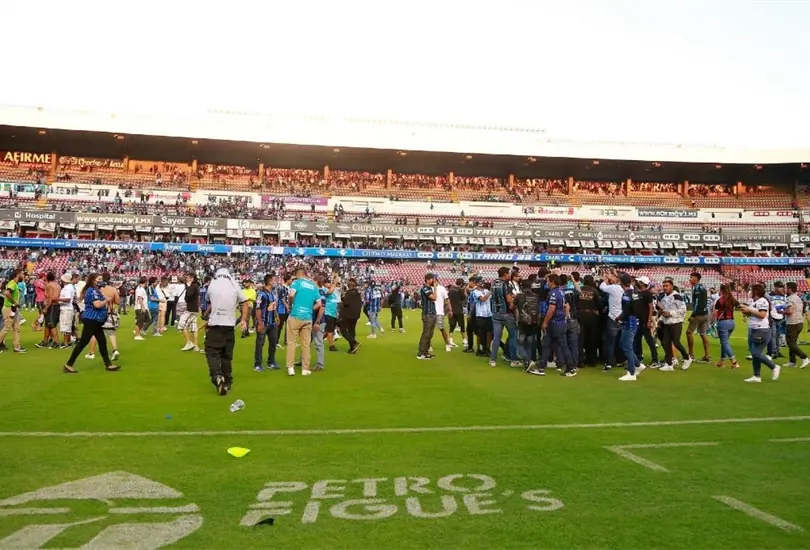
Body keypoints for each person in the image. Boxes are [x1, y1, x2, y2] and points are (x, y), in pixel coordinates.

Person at [62, 273, 120, 374]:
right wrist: (106, 300)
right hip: (91, 319)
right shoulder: (92, 291)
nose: (101, 280)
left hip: (95, 320)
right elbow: (97, 305)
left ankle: (108, 364)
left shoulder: (95, 290)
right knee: (83, 342)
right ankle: (69, 364)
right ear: (93, 280)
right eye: (99, 279)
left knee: (102, 342)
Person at [205, 267, 249, 395]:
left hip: (215, 325)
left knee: (212, 352)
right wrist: (244, 319)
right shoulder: (234, 284)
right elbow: (245, 302)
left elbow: (208, 299)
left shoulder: (213, 284)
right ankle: (227, 381)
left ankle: (216, 376)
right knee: (226, 356)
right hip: (229, 326)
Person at [286, 266, 322, 376]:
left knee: (291, 343)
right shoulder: (314, 286)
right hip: (307, 317)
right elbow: (319, 304)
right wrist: (310, 309)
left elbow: (291, 295)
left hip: (296, 315)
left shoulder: (296, 283)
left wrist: (291, 304)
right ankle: (305, 369)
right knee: (306, 344)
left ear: (298, 275)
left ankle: (290, 367)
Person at [741, 283, 780, 382]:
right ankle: (756, 376)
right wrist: (746, 312)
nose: (749, 292)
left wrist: (749, 310)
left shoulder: (763, 301)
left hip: (761, 330)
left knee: (756, 354)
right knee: (754, 354)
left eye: (751, 290)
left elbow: (762, 314)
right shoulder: (754, 301)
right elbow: (753, 314)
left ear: (756, 291)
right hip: (753, 329)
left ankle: (774, 367)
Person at [539, 274, 574, 376]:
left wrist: (545, 322)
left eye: (548, 281)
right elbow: (566, 306)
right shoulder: (561, 292)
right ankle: (542, 367)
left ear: (552, 281)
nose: (547, 283)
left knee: (559, 346)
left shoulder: (553, 293)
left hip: (554, 323)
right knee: (548, 344)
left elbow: (551, 309)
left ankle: (570, 368)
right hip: (560, 322)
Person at [657, 279, 692, 372]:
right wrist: (660, 320)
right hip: (666, 323)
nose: (665, 288)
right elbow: (664, 311)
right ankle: (669, 364)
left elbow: (683, 310)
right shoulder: (664, 297)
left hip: (676, 323)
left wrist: (671, 313)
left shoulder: (677, 297)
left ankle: (687, 358)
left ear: (672, 286)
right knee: (665, 343)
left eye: (667, 286)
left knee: (676, 342)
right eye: (664, 286)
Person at [86, 272, 122, 361]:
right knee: (111, 333)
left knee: (94, 333)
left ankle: (92, 352)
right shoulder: (112, 289)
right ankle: (115, 350)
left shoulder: (95, 290)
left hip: (97, 313)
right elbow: (117, 302)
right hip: (109, 313)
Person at [618, 274, 645, 382]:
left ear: (621, 282)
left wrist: (620, 318)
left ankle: (631, 372)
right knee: (623, 344)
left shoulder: (626, 294)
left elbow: (626, 310)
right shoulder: (636, 292)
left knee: (627, 347)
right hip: (635, 321)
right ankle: (637, 364)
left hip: (628, 322)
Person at [490, 267, 516, 367]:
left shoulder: (493, 283)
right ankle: (513, 359)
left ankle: (493, 360)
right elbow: (508, 300)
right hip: (506, 313)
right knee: (513, 336)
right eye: (509, 274)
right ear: (505, 274)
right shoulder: (506, 284)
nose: (510, 275)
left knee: (496, 337)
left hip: (496, 314)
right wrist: (514, 298)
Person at [599, 270, 624, 372]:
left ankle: (609, 362)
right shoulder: (629, 288)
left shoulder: (614, 288)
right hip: (623, 317)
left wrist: (606, 279)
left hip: (613, 317)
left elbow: (602, 287)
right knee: (621, 341)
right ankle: (621, 359)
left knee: (610, 342)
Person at [254, 273, 279, 371]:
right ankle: (257, 364)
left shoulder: (273, 293)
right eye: (273, 280)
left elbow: (273, 306)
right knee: (260, 343)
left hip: (272, 323)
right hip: (263, 323)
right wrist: (260, 323)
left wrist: (276, 316)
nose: (275, 281)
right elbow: (257, 309)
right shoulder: (261, 294)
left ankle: (271, 362)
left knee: (273, 343)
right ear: (269, 281)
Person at [632, 276, 658, 368]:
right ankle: (639, 357)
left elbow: (650, 306)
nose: (638, 282)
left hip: (644, 320)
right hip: (639, 320)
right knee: (637, 339)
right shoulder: (641, 293)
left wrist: (649, 320)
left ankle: (655, 359)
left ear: (642, 283)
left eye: (639, 281)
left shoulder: (647, 293)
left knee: (649, 340)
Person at [514, 279, 540, 372]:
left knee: (519, 343)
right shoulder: (536, 296)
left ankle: (527, 360)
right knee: (529, 344)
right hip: (533, 322)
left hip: (523, 322)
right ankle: (528, 365)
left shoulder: (519, 296)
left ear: (522, 286)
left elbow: (512, 307)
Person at [686, 272, 711, 363]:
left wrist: (692, 315)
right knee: (703, 334)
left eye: (691, 277)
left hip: (698, 314)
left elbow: (696, 304)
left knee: (689, 332)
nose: (690, 279)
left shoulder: (697, 289)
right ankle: (707, 356)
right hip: (705, 314)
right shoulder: (703, 288)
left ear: (696, 278)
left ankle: (690, 354)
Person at [784, 281, 810, 369]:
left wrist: (781, 312)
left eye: (786, 288)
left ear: (790, 289)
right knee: (793, 342)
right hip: (800, 322)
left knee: (790, 343)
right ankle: (792, 361)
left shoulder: (790, 299)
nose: (785, 289)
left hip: (792, 323)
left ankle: (804, 357)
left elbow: (790, 311)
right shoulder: (799, 298)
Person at [576, 275, 601, 367]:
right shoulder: (594, 291)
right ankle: (592, 360)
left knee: (580, 339)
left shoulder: (578, 289)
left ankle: (580, 360)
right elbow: (599, 304)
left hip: (579, 315)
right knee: (592, 338)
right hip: (591, 315)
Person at [713, 284, 739, 369]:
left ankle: (734, 362)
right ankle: (722, 361)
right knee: (724, 343)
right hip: (731, 322)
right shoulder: (732, 299)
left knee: (724, 343)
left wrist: (712, 323)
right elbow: (739, 305)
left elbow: (715, 312)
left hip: (723, 322)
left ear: (721, 290)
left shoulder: (720, 300)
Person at [0, 268, 26, 353]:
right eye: (22, 274)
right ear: (18, 275)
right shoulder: (12, 283)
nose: (23, 275)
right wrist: (14, 301)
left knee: (16, 328)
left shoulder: (15, 284)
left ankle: (17, 347)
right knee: (7, 328)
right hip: (9, 308)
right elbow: (7, 293)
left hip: (13, 308)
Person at [37, 271, 62, 349]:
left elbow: (50, 298)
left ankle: (56, 342)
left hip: (52, 306)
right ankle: (45, 341)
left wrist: (46, 308)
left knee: (51, 324)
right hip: (57, 305)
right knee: (48, 325)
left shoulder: (49, 285)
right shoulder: (57, 285)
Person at [417, 273, 438, 360]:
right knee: (426, 333)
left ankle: (426, 352)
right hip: (427, 314)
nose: (434, 281)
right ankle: (421, 353)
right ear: (428, 279)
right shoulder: (425, 288)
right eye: (432, 279)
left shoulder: (429, 288)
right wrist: (435, 288)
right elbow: (433, 297)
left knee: (430, 334)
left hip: (432, 313)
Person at [179, 272, 201, 352]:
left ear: (192, 278)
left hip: (191, 309)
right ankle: (195, 346)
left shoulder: (193, 286)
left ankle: (189, 343)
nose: (186, 279)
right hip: (194, 309)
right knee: (194, 327)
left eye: (187, 277)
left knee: (181, 325)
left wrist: (188, 286)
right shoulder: (196, 286)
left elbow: (189, 294)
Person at [340, 278, 362, 354]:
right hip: (355, 315)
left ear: (348, 286)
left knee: (342, 329)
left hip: (348, 315)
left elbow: (346, 303)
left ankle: (354, 342)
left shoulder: (348, 293)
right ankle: (352, 349)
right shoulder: (358, 293)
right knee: (352, 331)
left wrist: (342, 298)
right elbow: (360, 304)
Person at [58, 272, 78, 349]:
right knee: (67, 326)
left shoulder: (67, 288)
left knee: (66, 327)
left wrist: (56, 299)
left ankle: (66, 343)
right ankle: (67, 342)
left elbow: (68, 299)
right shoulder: (69, 287)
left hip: (66, 308)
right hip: (67, 308)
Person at [768, 281, 788, 357]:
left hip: (780, 318)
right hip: (772, 317)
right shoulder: (770, 295)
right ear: (775, 287)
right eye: (780, 287)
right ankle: (773, 351)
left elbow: (784, 306)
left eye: (782, 287)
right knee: (773, 334)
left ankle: (777, 350)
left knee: (778, 335)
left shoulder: (784, 296)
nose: (781, 288)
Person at [447, 278, 466, 348]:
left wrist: (450, 309)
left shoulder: (451, 289)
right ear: (461, 284)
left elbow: (448, 299)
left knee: (452, 326)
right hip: (459, 310)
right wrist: (464, 290)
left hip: (452, 309)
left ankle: (451, 340)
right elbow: (464, 298)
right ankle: (464, 340)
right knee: (462, 326)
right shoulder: (460, 290)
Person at [324, 275, 341, 351]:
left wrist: (336, 312)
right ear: (324, 284)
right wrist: (335, 282)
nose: (329, 284)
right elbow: (329, 292)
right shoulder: (324, 290)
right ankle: (332, 346)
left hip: (333, 313)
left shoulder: (333, 292)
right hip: (328, 312)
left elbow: (334, 303)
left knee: (328, 330)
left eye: (329, 282)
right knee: (330, 330)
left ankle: (317, 340)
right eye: (328, 283)